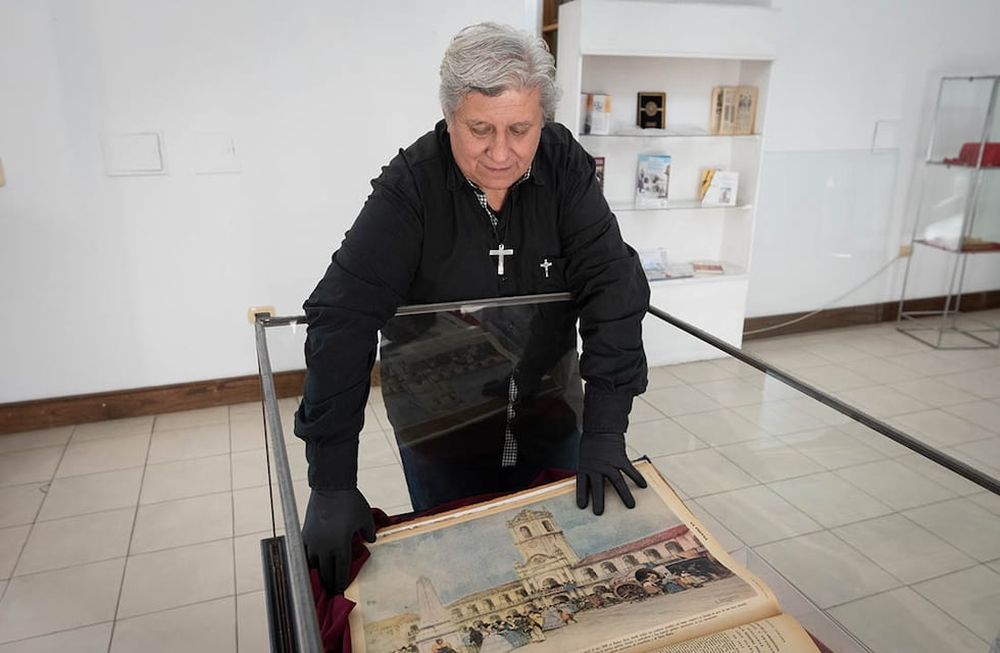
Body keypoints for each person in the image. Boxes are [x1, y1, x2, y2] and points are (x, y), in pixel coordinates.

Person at [296, 22, 650, 595]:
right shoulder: (411, 185)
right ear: (448, 115)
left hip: (551, 404)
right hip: (441, 421)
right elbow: (342, 317)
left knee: (568, 566)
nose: (501, 153)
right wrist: (331, 480)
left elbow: (612, 288)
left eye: (521, 128)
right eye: (480, 129)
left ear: (544, 119)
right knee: (470, 570)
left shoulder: (563, 165)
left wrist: (607, 430)